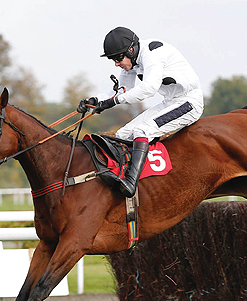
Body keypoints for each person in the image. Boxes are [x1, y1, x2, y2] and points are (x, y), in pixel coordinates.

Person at [78, 26, 204, 198]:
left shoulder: (152, 54)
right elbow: (122, 90)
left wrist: (113, 102)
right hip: (170, 102)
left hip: (189, 102)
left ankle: (131, 183)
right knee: (123, 133)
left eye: (118, 58)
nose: (116, 63)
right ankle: (121, 177)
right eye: (113, 60)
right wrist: (95, 101)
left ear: (131, 50)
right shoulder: (131, 61)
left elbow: (149, 88)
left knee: (142, 131)